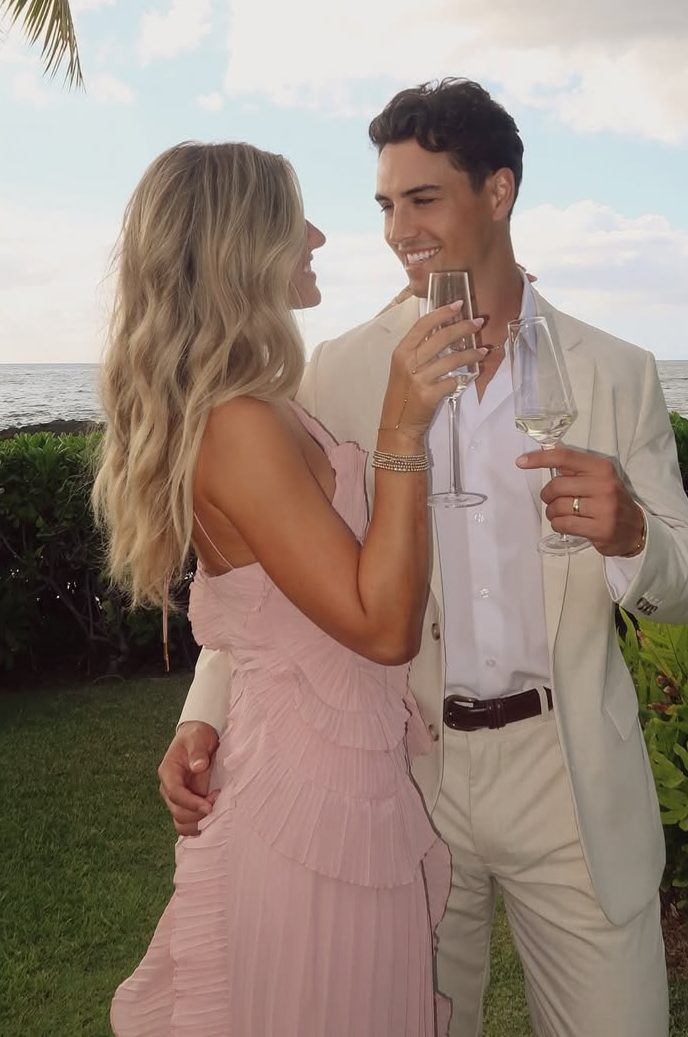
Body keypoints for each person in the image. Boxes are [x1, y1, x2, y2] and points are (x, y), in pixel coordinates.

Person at [162, 81, 688, 1037]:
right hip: (404, 770)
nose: (396, 230)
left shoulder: (616, 370)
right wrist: (203, 712)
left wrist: (633, 539)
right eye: (385, 203)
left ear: (497, 191)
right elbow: (285, 572)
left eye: (423, 199)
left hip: (566, 776)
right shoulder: (336, 369)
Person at [94, 140, 479, 1037]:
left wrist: (426, 300)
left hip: (339, 786)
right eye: (289, 219)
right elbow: (382, 626)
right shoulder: (237, 425)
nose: (315, 234)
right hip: (310, 805)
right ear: (239, 246)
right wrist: (401, 427)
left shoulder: (256, 403)